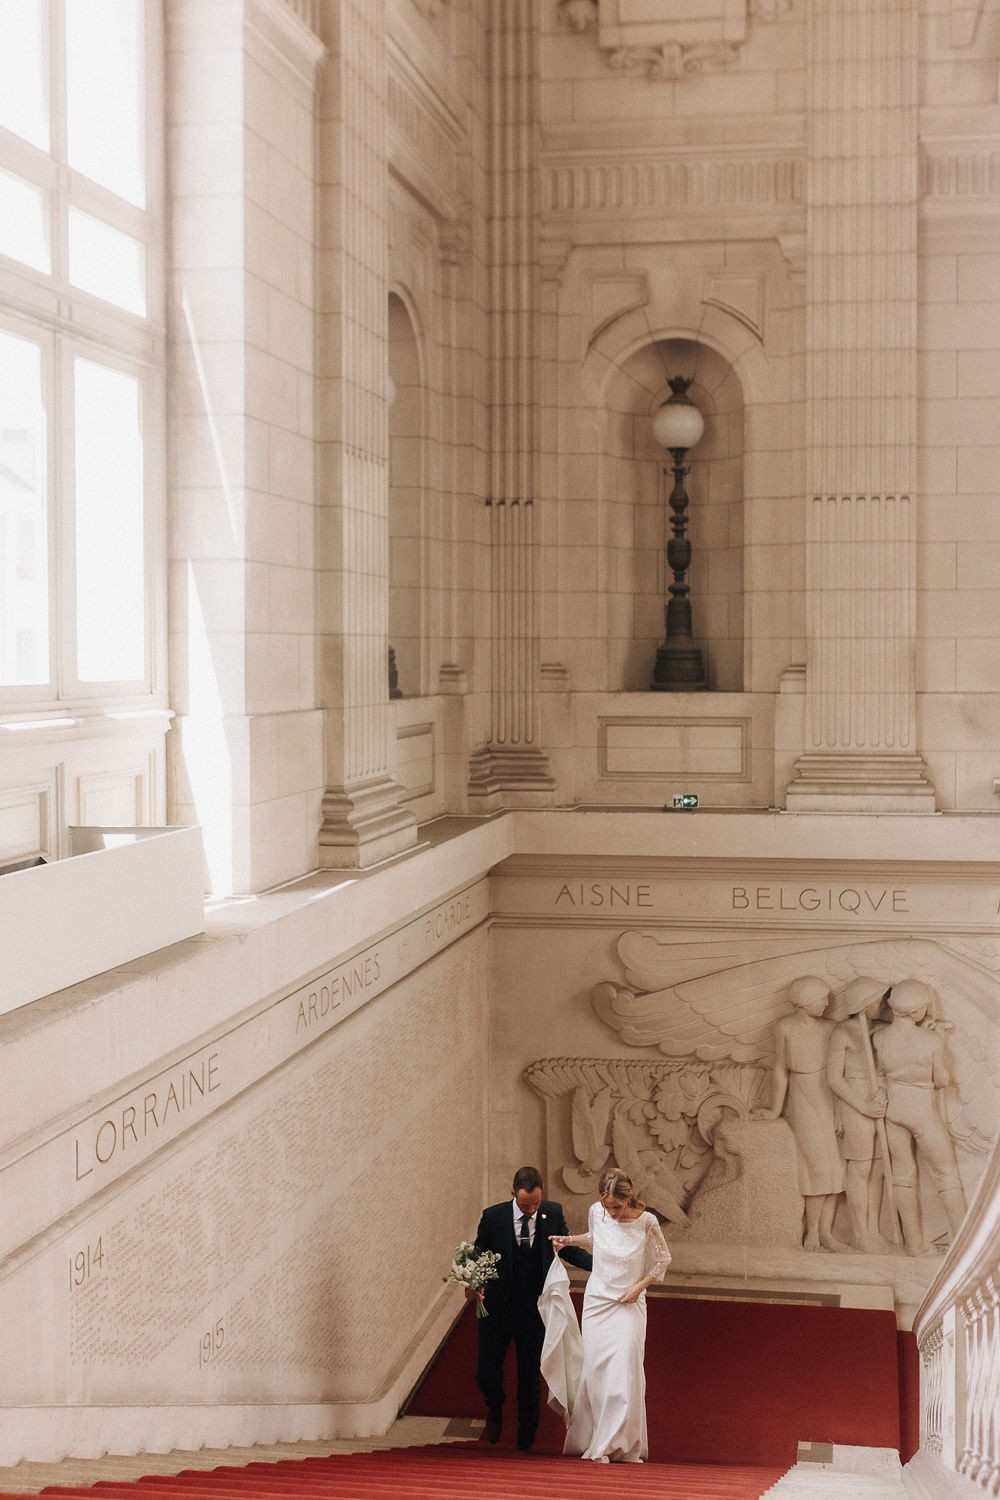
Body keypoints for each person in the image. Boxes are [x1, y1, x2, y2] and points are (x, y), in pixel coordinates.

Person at [549, 1168, 670, 1464]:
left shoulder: (647, 1221)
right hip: (597, 1301)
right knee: (597, 1371)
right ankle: (597, 1439)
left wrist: (638, 1288)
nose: (612, 1213)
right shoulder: (596, 1212)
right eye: (607, 1207)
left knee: (623, 1369)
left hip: (629, 1303)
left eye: (617, 1206)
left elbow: (663, 1259)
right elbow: (597, 1238)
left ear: (629, 1198)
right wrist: (570, 1241)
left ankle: (617, 1443)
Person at [468, 1165, 592, 1451]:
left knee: (530, 1374)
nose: (531, 1209)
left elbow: (566, 1248)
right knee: (486, 1372)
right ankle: (495, 1407)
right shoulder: (493, 1217)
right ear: (513, 1194)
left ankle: (527, 1434)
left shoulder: (553, 1212)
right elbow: (477, 1253)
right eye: (525, 1205)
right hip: (497, 1308)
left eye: (536, 1203)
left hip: (535, 1308)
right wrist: (472, 1284)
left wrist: (599, 1267)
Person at [872, 979, 967, 1255]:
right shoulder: (931, 1040)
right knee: (946, 1173)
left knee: (903, 1175)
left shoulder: (879, 1037)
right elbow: (941, 1080)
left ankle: (913, 1243)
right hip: (922, 1111)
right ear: (917, 1011)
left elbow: (880, 1074)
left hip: (894, 1111)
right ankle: (961, 1242)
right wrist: (938, 1040)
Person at [756, 975, 845, 1251]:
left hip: (828, 1093)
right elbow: (780, 1068)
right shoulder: (785, 1027)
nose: (826, 1003)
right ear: (804, 1001)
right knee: (816, 1166)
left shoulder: (831, 1028)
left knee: (835, 1168)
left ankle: (827, 1232)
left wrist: (841, 1108)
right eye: (821, 999)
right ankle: (813, 1231)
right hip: (803, 1096)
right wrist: (774, 1108)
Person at [826, 976, 890, 1251]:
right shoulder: (843, 1032)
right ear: (864, 1005)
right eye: (877, 1001)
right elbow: (834, 1078)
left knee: (877, 1172)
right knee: (861, 1167)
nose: (881, 1005)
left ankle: (873, 1231)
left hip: (877, 1099)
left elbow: (888, 1067)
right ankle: (859, 1232)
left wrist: (883, 1089)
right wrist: (861, 1105)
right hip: (854, 1101)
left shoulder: (881, 1030)